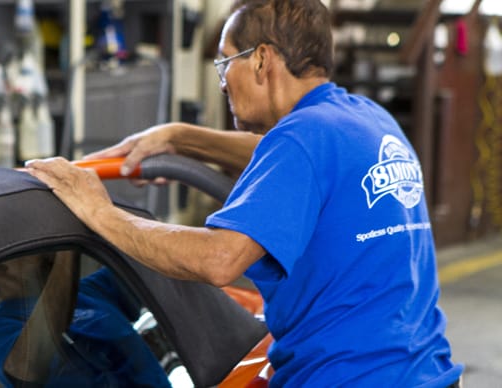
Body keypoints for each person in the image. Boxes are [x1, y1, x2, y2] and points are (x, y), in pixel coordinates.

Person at [25, 0, 464, 386]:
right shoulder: (366, 121)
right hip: (425, 371)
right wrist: (180, 138)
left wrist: (98, 211)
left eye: (224, 62)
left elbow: (220, 259)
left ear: (261, 61)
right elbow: (288, 160)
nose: (221, 82)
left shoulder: (302, 140)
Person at [0, 252, 171, 387]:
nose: (45, 250)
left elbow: (155, 262)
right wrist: (66, 253)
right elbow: (27, 369)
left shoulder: (92, 291)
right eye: (25, 250)